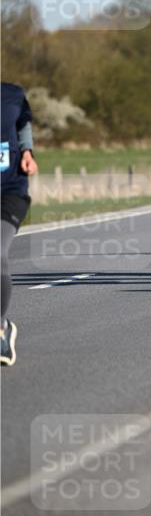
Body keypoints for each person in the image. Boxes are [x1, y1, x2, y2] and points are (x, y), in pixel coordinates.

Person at [1, 82, 38, 367]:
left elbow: (23, 120)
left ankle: (0, 330)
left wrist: (27, 152)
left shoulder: (12, 94)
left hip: (10, 191)